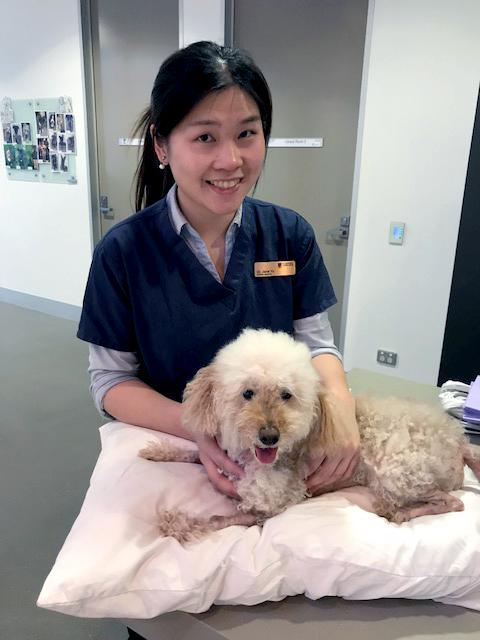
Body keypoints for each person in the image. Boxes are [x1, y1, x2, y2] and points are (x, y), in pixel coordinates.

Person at [77, 41, 359, 639]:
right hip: (175, 440)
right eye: (204, 137)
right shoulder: (124, 253)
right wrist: (200, 430)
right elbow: (109, 381)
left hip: (273, 448)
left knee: (285, 595)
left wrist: (340, 411)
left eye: (248, 134)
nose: (230, 159)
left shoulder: (290, 234)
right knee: (172, 601)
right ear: (161, 145)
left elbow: (318, 344)